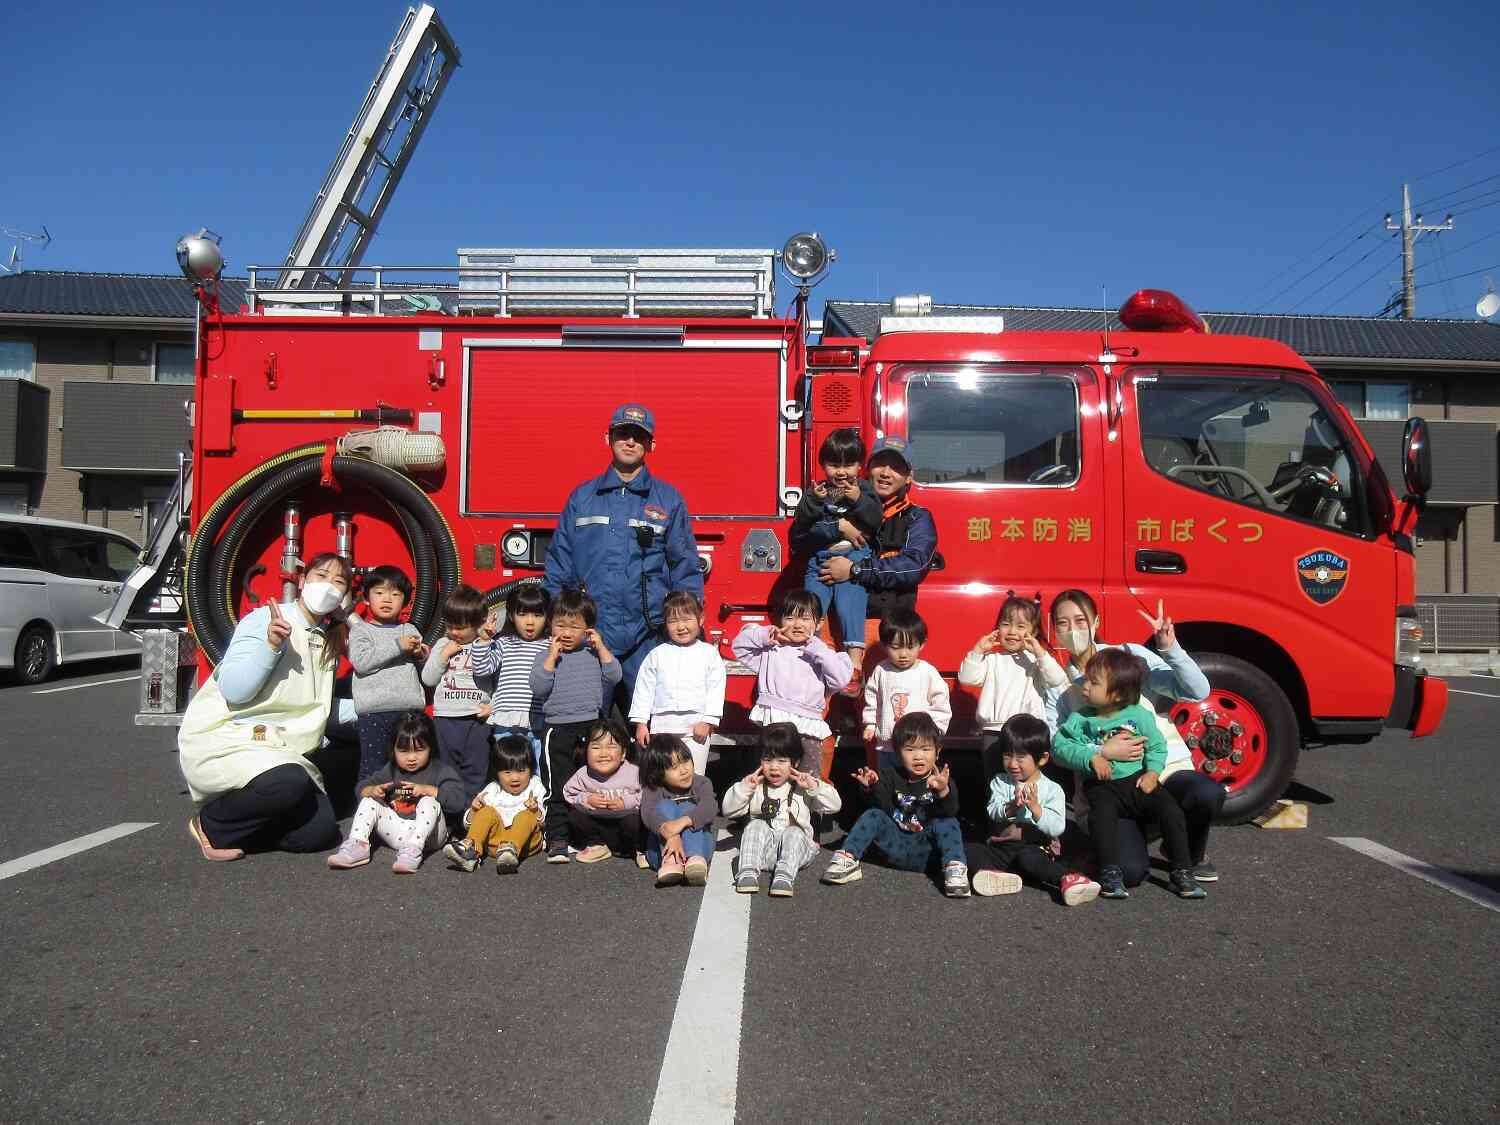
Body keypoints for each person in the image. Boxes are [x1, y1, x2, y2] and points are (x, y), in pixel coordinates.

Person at [179, 552, 353, 861]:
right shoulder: (265, 620)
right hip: (234, 738)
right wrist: (271, 647)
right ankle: (212, 824)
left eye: (338, 582)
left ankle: (247, 824)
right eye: (321, 576)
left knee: (321, 834)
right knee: (289, 783)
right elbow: (235, 689)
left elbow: (316, 705)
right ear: (301, 580)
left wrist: (385, 706)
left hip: (283, 748)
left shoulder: (327, 639)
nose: (328, 586)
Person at [1045, 590, 1223, 885]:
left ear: (1095, 621)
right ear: (1054, 629)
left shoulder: (1127, 657)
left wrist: (1171, 649)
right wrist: (1101, 751)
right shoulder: (1058, 685)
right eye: (1063, 623)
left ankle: (1188, 854)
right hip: (1112, 787)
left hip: (1164, 771)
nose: (1073, 630)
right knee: (1128, 872)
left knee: (1207, 794)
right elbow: (1056, 746)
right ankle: (1138, 835)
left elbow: (1196, 691)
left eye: (1080, 620)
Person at [543, 403, 703, 703]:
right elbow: (558, 562)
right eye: (623, 434)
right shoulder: (582, 497)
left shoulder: (668, 499)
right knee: (585, 725)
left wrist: (688, 621)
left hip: (648, 636)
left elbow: (684, 565)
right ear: (608, 438)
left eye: (639, 437)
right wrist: (562, 621)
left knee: (650, 728)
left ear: (650, 445)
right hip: (589, 637)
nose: (630, 442)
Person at [1052, 649, 1205, 900]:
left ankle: (1182, 870)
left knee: (1171, 811)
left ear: (1118, 694)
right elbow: (1061, 746)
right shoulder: (1081, 719)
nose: (1085, 685)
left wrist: (1153, 773)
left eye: (1094, 682)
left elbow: (1156, 745)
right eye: (1086, 679)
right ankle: (1110, 871)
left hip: (1137, 781)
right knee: (1102, 819)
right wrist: (1092, 756)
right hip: (1102, 786)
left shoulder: (1139, 714)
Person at [821, 713, 970, 898]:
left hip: (928, 852)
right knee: (873, 814)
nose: (918, 756)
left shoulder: (941, 780)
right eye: (910, 749)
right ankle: (848, 858)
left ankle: (954, 868)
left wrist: (942, 791)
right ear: (898, 752)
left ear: (937, 751)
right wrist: (871, 787)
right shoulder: (891, 776)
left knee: (948, 822)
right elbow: (880, 805)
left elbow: (950, 810)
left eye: (926, 749)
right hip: (894, 845)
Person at [964, 715, 1100, 905]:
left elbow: (1057, 827)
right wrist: (1011, 807)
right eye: (1007, 755)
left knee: (1029, 859)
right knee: (970, 849)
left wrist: (1036, 809)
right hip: (1002, 847)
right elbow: (992, 811)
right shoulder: (1000, 781)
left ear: (1042, 758)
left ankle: (1067, 879)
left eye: (1020, 757)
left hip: (1034, 846)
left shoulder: (1052, 789)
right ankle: (991, 874)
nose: (1012, 764)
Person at [815, 435, 938, 646]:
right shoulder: (833, 499)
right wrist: (837, 526)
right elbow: (798, 538)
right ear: (866, 468)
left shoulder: (918, 517)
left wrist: (855, 569)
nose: (885, 473)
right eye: (879, 464)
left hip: (885, 633)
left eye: (896, 467)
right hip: (831, 627)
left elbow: (914, 566)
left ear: (909, 477)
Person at [531, 588, 622, 863]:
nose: (567, 632)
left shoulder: (594, 655)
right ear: (550, 626)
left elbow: (614, 676)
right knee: (558, 786)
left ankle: (592, 837)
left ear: (588, 630)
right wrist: (550, 658)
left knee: (594, 785)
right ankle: (558, 838)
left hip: (591, 728)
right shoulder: (545, 656)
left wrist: (601, 646)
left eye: (575, 626)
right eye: (560, 625)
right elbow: (538, 687)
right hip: (557, 729)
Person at [790, 428, 883, 693]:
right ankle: (809, 662)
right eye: (834, 465)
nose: (841, 472)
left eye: (848, 464)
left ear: (860, 465)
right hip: (819, 558)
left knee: (849, 603)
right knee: (812, 606)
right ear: (822, 465)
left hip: (854, 557)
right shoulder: (818, 492)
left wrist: (857, 500)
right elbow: (802, 525)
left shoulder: (864, 489)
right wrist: (819, 507)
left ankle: (854, 664)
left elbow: (876, 519)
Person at [326, 710, 466, 874]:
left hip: (431, 836)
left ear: (431, 748)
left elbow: (458, 801)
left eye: (419, 750)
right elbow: (361, 788)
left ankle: (413, 850)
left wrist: (427, 790)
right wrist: (372, 790)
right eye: (404, 751)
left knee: (428, 801)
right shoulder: (391, 770)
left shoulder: (440, 770)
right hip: (399, 831)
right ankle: (358, 845)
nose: (411, 758)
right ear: (393, 749)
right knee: (369, 799)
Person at [731, 590, 853, 774]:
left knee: (808, 777)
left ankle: (804, 804)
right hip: (774, 721)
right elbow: (739, 646)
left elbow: (840, 679)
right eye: (790, 618)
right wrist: (767, 635)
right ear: (780, 620)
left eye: (805, 619)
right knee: (771, 776)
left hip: (808, 725)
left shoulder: (821, 653)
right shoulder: (771, 649)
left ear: (819, 623)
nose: (797, 625)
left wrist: (817, 650)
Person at [723, 722, 842, 897]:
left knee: (794, 831)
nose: (774, 767)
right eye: (768, 760)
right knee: (755, 825)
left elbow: (834, 805)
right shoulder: (756, 786)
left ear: (795, 762)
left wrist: (814, 786)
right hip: (765, 852)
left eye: (782, 761)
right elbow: (729, 811)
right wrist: (743, 789)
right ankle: (747, 871)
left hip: (796, 851)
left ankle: (784, 876)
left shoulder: (803, 786)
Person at [959, 595, 1069, 772]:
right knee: (995, 783)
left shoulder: (1036, 661)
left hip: (1027, 733)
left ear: (1032, 633)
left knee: (1027, 783)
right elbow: (967, 678)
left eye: (1020, 626)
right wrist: (978, 651)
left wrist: (1040, 653)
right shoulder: (991, 659)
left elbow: (1056, 679)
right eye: (1005, 624)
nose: (1011, 631)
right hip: (993, 732)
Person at [346, 565, 427, 792]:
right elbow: (362, 663)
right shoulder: (361, 630)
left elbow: (424, 671)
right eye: (379, 593)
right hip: (374, 712)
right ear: (366, 598)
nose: (387, 599)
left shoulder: (409, 628)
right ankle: (369, 812)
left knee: (412, 765)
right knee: (374, 766)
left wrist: (422, 655)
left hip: (408, 710)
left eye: (395, 594)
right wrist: (398, 646)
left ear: (406, 601)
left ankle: (406, 810)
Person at [628, 590, 726, 775]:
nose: (681, 627)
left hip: (696, 729)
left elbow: (716, 689)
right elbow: (644, 689)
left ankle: (693, 805)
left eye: (687, 619)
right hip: (662, 729)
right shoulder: (657, 654)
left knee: (693, 776)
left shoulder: (709, 653)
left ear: (701, 619)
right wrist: (641, 723)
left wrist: (708, 721)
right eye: (673, 621)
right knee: (663, 776)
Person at [420, 584, 495, 804]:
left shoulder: (488, 645)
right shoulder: (444, 644)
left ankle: (470, 814)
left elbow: (501, 681)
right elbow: (428, 679)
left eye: (461, 627)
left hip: (477, 719)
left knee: (475, 769)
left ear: (478, 624)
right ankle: (448, 812)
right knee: (446, 768)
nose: (455, 632)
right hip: (445, 718)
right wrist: (443, 655)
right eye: (451, 625)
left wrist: (493, 706)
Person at [470, 581, 552, 773]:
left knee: (538, 772)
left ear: (547, 617)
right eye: (522, 614)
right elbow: (482, 669)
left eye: (538, 615)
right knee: (509, 769)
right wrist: (483, 641)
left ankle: (536, 803)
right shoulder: (503, 643)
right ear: (511, 616)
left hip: (539, 721)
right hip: (506, 721)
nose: (530, 622)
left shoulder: (550, 645)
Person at [442, 734, 547, 874]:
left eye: (521, 771)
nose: (514, 778)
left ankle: (511, 849)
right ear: (497, 773)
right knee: (486, 812)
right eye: (507, 772)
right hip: (495, 844)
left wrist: (536, 811)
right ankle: (470, 851)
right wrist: (474, 810)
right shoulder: (492, 788)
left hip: (527, 843)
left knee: (526, 816)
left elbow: (545, 821)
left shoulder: (535, 785)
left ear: (531, 769)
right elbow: (469, 825)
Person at [862, 608, 951, 771]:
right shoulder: (881, 670)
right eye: (895, 647)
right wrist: (870, 724)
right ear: (884, 645)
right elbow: (872, 699)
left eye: (910, 647)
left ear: (922, 644)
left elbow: (941, 704)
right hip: (887, 746)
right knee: (888, 786)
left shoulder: (927, 671)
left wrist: (934, 732)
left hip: (918, 749)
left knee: (916, 786)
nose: (903, 654)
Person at [639, 733, 717, 888]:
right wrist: (670, 834)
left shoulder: (701, 782)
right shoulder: (654, 788)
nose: (684, 770)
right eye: (674, 767)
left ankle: (693, 860)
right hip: (661, 854)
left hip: (700, 850)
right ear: (658, 773)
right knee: (664, 806)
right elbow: (648, 812)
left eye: (686, 761)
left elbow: (710, 805)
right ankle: (672, 861)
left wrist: (683, 821)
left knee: (688, 807)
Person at [563, 719, 643, 865]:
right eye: (596, 747)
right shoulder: (583, 774)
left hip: (624, 826)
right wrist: (586, 799)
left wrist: (627, 801)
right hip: (597, 827)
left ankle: (639, 849)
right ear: (586, 751)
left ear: (623, 753)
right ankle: (597, 846)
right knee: (575, 816)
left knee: (635, 821)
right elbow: (569, 793)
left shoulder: (634, 772)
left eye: (611, 746)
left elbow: (648, 794)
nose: (603, 753)